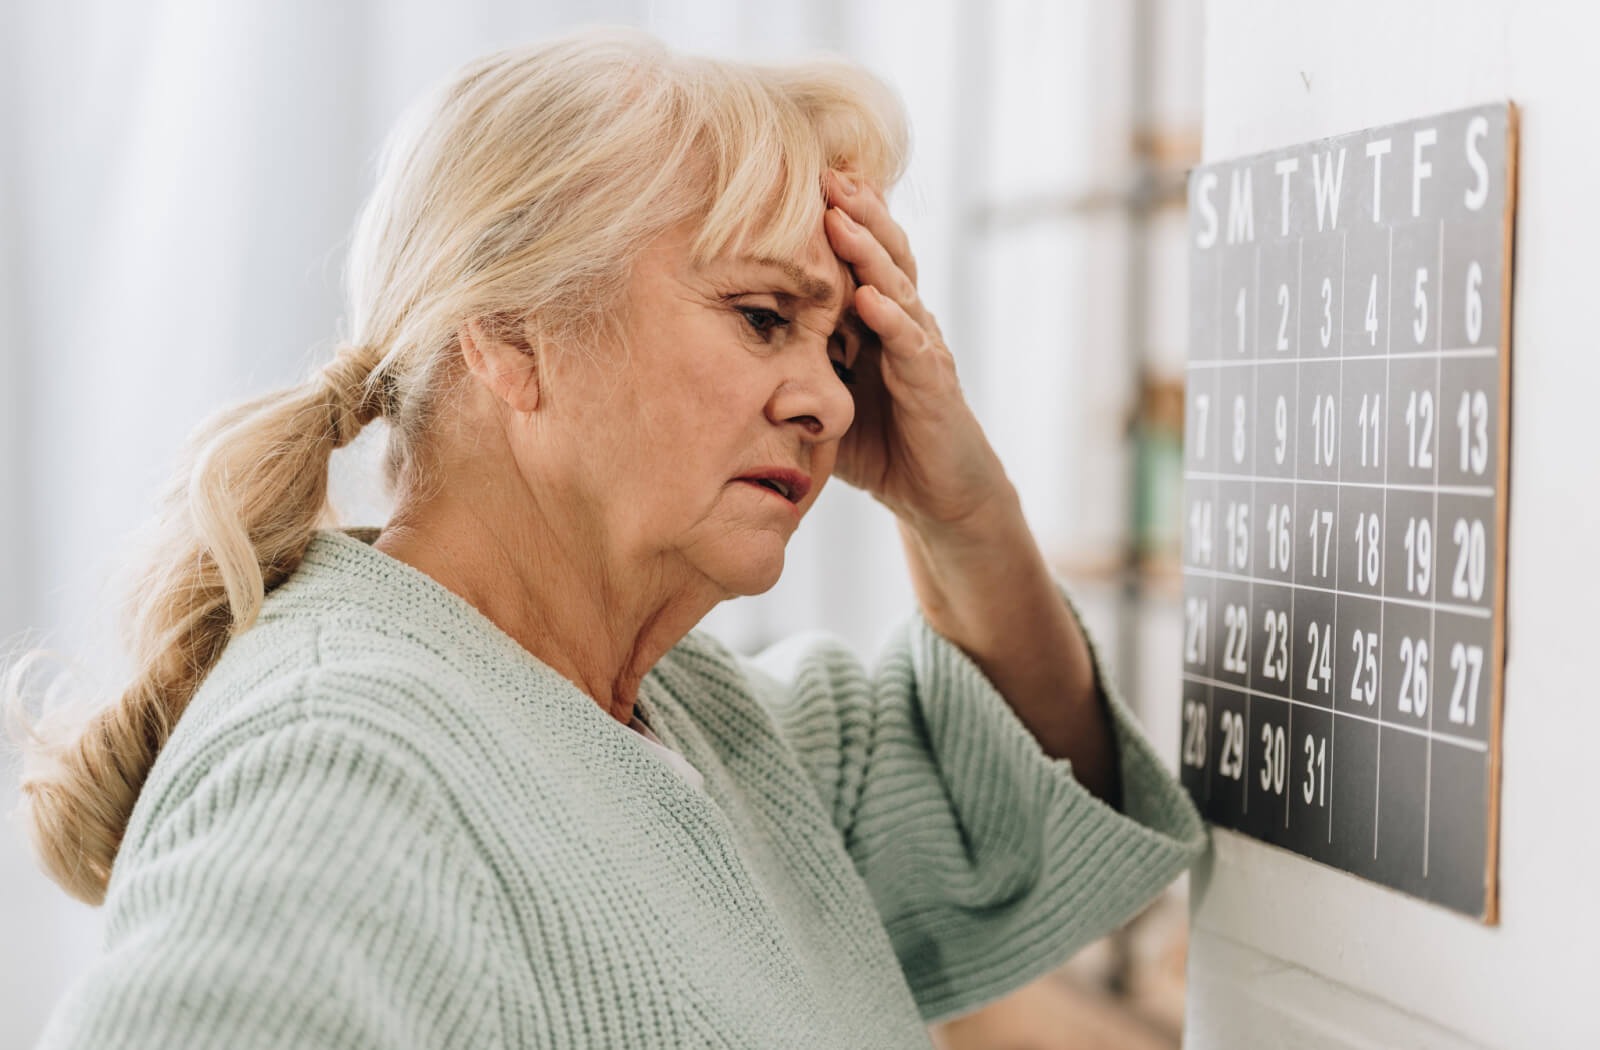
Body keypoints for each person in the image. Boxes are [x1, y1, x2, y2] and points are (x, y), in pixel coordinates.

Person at [13, 28, 1204, 1049]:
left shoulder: (700, 724)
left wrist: (961, 508)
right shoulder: (344, 761)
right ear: (513, 336)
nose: (834, 403)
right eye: (761, 317)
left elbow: (1009, 795)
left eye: (837, 350)